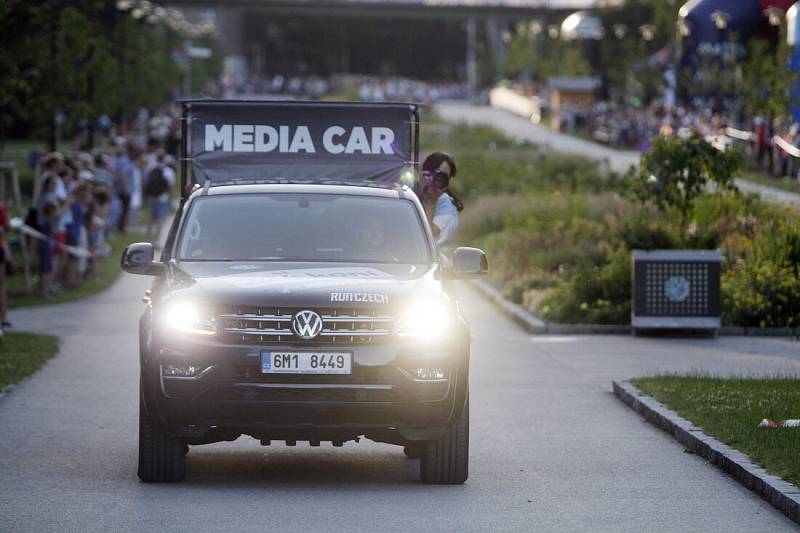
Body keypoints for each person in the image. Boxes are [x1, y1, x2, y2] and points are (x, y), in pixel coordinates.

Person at [415, 152, 463, 247]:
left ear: (447, 183)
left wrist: (432, 202)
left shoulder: (447, 208)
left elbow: (428, 236)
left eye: (442, 177)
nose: (435, 180)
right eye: (430, 174)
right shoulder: (409, 194)